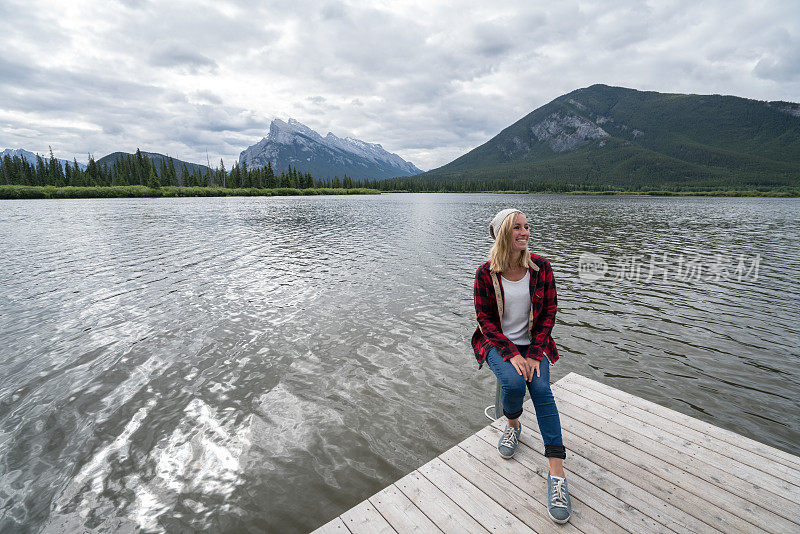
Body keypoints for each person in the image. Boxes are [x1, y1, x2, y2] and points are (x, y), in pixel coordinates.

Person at [471, 208, 572, 524]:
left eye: (527, 226)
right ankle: (513, 425)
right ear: (503, 233)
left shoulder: (541, 268)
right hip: (497, 343)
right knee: (514, 385)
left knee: (541, 389)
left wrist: (533, 354)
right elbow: (485, 320)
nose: (525, 232)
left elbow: (549, 313)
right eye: (517, 227)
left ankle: (557, 475)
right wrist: (512, 354)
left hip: (535, 344)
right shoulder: (485, 273)